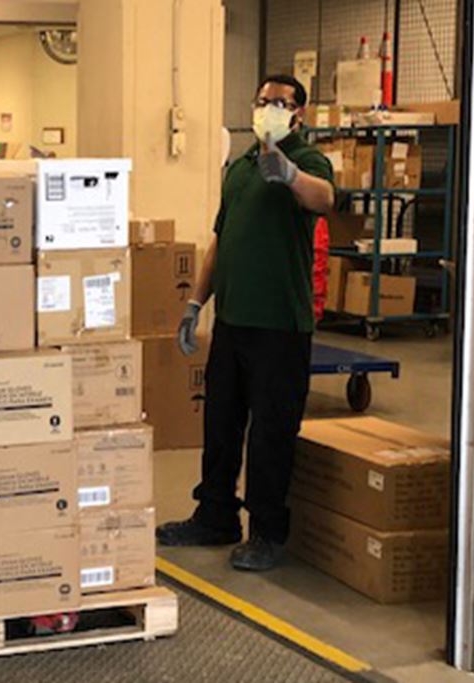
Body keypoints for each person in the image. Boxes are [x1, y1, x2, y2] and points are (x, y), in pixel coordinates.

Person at [156, 75, 335, 572]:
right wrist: (196, 304)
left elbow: (325, 199)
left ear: (299, 113)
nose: (269, 110)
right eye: (262, 101)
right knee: (220, 423)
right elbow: (220, 241)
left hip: (279, 325)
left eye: (280, 103)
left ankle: (267, 532)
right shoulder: (240, 168)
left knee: (269, 434)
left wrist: (291, 176)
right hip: (233, 320)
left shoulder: (306, 160)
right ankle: (214, 515)